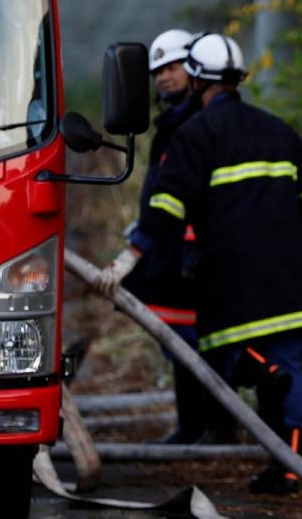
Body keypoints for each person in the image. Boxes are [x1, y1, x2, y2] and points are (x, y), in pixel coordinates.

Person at [98, 32, 302, 494]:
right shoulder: (280, 130)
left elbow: (165, 208)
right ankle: (290, 470)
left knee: (224, 355)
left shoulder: (196, 135)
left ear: (197, 79)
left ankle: (265, 376)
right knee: (288, 365)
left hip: (231, 279)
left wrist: (128, 257)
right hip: (290, 277)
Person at [92, 28, 229, 444]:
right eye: (158, 72)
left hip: (195, 255)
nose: (164, 78)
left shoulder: (201, 124)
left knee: (200, 341)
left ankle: (217, 429)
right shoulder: (173, 123)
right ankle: (193, 428)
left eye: (173, 67)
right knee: (179, 341)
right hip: (170, 252)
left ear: (196, 69)